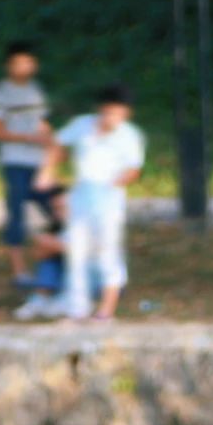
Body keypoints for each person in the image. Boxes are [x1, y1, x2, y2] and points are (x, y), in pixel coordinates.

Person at [44, 84, 145, 321]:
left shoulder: (129, 135)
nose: (112, 118)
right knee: (76, 250)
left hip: (109, 197)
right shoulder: (83, 125)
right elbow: (57, 143)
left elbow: (133, 169)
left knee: (108, 251)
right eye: (109, 111)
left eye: (118, 113)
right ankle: (77, 308)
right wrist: (48, 171)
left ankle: (106, 309)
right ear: (101, 109)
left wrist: (113, 184)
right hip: (82, 195)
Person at [0, 41, 52, 285]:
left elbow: (42, 123)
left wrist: (51, 143)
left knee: (54, 210)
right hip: (14, 161)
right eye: (18, 63)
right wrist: (27, 137)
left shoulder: (37, 90)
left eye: (28, 62)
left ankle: (51, 262)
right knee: (16, 215)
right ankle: (19, 270)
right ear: (8, 66)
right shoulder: (1, 93)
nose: (23, 67)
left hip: (39, 162)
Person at [13, 186, 69, 320]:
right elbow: (38, 254)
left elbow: (83, 253)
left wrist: (52, 244)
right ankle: (40, 299)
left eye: (62, 208)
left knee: (57, 254)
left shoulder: (86, 227)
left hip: (92, 280)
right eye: (55, 209)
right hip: (65, 276)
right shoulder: (56, 228)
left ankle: (57, 299)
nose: (58, 213)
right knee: (50, 260)